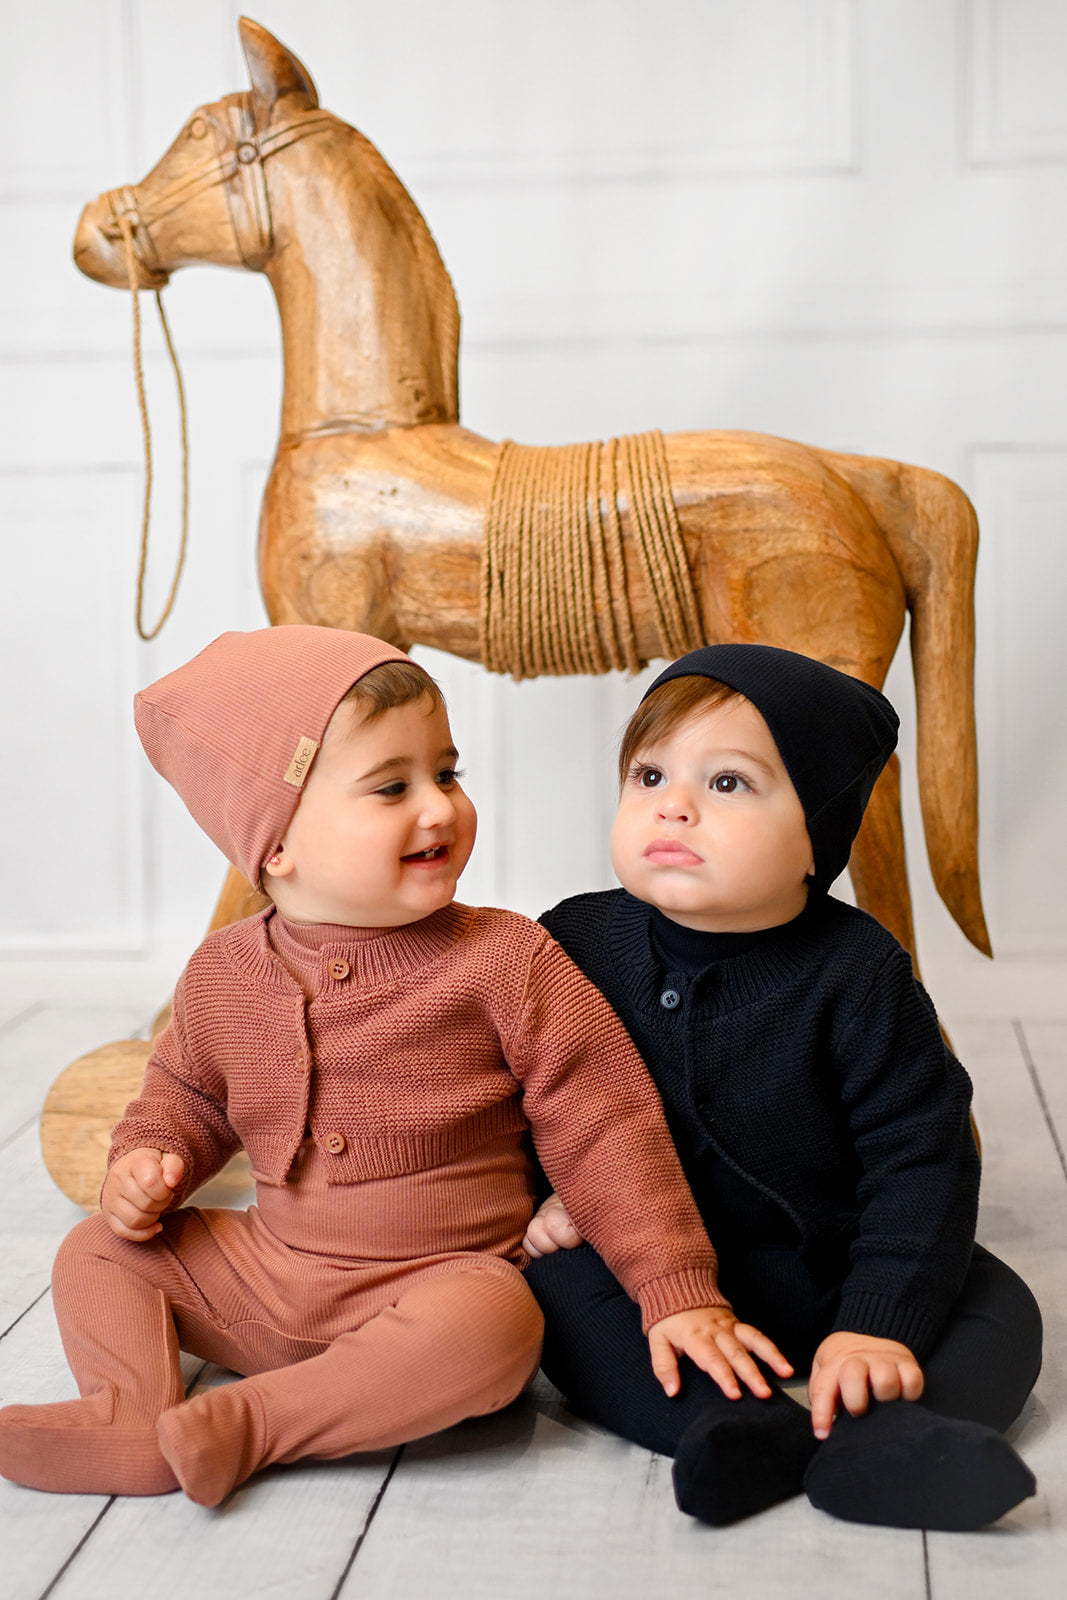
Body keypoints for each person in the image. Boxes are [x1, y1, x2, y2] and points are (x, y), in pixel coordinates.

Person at [0, 625, 764, 1507]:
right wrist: (146, 1162)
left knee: (500, 1327)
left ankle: (254, 1423)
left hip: (434, 1290)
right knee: (98, 1251)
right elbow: (185, 1098)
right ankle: (130, 1414)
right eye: (391, 787)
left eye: (446, 773)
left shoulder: (505, 960)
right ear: (275, 842)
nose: (437, 808)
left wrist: (674, 1289)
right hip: (268, 1275)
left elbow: (605, 1123)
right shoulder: (223, 971)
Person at [524, 642, 1042, 1531]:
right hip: (659, 1270)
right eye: (649, 775)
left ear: (817, 837)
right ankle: (727, 1427)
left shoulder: (857, 972)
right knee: (558, 1292)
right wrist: (551, 1193)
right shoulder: (572, 944)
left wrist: (879, 1318)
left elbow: (921, 1154)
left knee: (1000, 1308)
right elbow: (512, 1088)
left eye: (727, 784)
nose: (674, 805)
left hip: (833, 1264)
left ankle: (887, 1441)